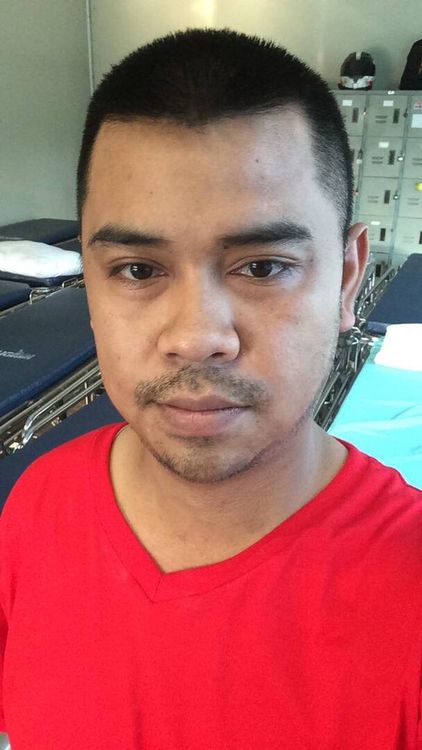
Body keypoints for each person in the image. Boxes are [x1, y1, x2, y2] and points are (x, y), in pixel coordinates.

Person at [0, 28, 421, 750]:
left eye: (262, 267)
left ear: (348, 278)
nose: (196, 337)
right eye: (138, 270)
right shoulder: (38, 503)